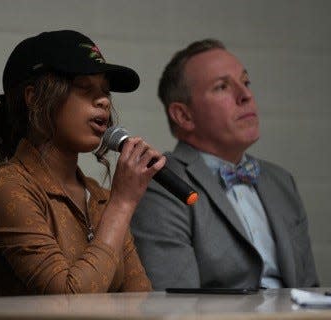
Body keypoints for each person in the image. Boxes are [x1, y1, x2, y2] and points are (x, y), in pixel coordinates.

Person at [0, 30, 166, 296]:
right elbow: (68, 301)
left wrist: (116, 204)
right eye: (84, 88)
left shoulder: (99, 197)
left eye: (106, 91)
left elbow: (141, 299)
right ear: (34, 98)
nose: (104, 100)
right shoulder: (6, 189)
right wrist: (123, 204)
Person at [131, 39, 319, 290]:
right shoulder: (161, 183)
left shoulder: (281, 181)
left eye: (246, 82)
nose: (246, 95)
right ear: (184, 116)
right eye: (222, 87)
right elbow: (174, 305)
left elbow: (309, 290)